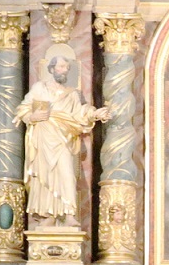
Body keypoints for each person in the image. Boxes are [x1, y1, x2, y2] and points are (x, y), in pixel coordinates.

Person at [16, 43, 111, 226]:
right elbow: (23, 109)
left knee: (67, 173)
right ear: (51, 69)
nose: (64, 70)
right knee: (45, 176)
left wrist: (96, 113)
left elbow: (80, 113)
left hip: (63, 140)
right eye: (60, 66)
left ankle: (69, 213)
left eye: (66, 68)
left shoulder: (72, 95)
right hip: (43, 138)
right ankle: (49, 214)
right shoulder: (39, 89)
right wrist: (32, 116)